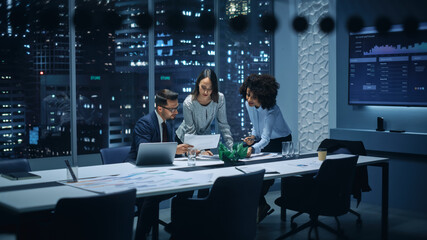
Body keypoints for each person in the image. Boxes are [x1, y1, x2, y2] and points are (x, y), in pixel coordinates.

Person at [127, 89, 193, 240]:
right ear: (160, 108)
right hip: (140, 172)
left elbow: (169, 150)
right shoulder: (145, 123)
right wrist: (173, 149)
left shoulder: (167, 124)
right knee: (152, 197)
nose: (176, 112)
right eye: (172, 109)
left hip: (160, 172)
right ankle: (141, 235)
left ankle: (177, 228)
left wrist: (183, 150)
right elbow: (143, 150)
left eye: (177, 107)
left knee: (186, 189)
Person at [239, 73, 292, 223]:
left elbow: (266, 138)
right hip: (263, 139)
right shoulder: (248, 104)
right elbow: (257, 129)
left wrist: (253, 148)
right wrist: (251, 137)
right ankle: (259, 205)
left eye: (253, 97)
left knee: (265, 175)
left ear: (263, 96)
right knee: (245, 166)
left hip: (280, 141)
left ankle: (258, 205)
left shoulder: (271, 110)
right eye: (248, 95)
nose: (249, 99)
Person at [175, 68, 234, 154]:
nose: (206, 91)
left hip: (203, 139)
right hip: (185, 141)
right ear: (198, 84)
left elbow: (224, 125)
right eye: (203, 87)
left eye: (210, 88)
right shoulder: (188, 103)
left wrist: (231, 149)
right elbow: (190, 131)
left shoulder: (219, 98)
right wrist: (201, 152)